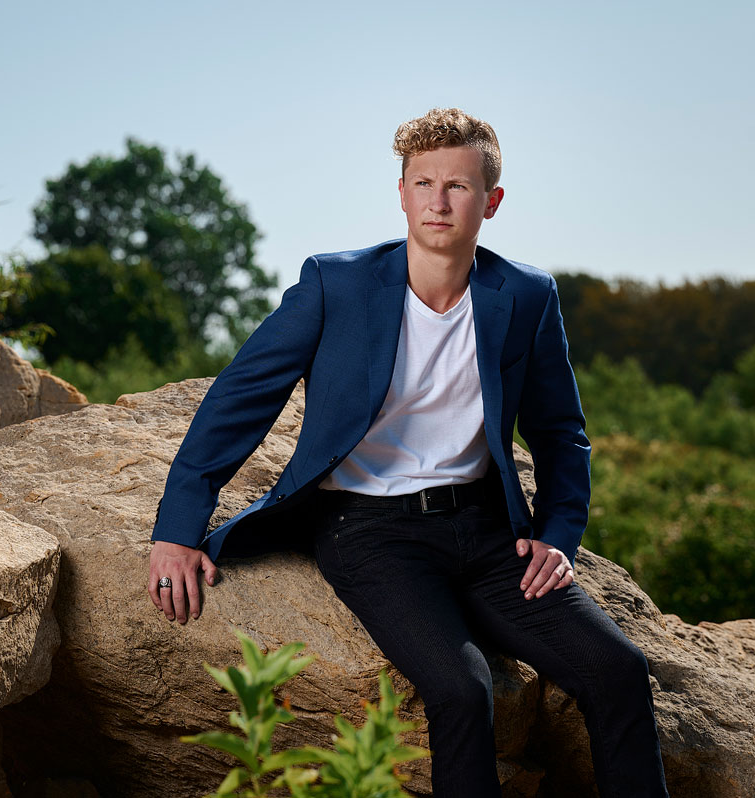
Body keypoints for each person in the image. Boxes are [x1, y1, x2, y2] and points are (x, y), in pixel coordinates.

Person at [147, 108, 668, 797]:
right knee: (462, 688)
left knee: (619, 669)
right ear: (401, 193)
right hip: (368, 531)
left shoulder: (527, 296)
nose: (439, 201)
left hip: (487, 535)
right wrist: (176, 531)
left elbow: (561, 433)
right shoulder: (337, 286)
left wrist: (559, 534)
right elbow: (236, 403)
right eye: (423, 183)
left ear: (492, 201)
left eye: (458, 185)